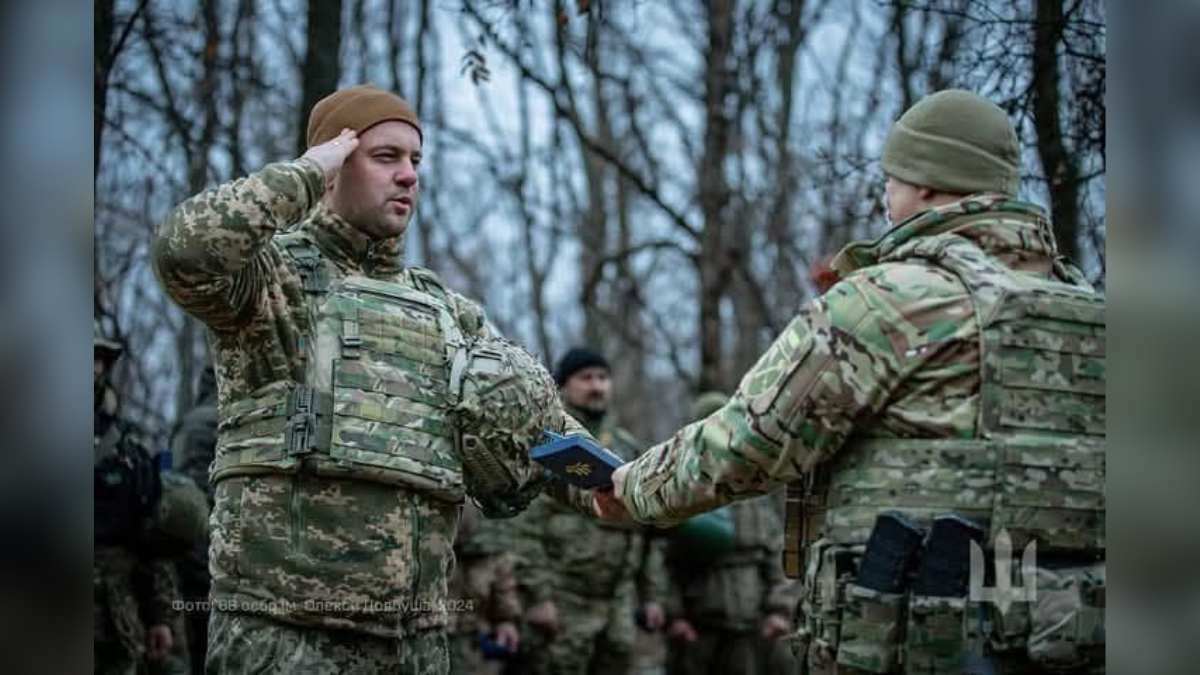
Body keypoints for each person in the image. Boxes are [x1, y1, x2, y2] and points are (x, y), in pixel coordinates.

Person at [596, 90, 1106, 674]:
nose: (885, 198)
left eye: (890, 180)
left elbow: (750, 440)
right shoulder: (1092, 311)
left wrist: (632, 487)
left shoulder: (888, 301)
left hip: (917, 640)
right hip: (1071, 636)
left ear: (926, 184)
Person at [152, 84, 593, 674]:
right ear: (333, 167)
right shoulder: (268, 283)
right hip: (285, 640)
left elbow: (544, 434)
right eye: (386, 157)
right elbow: (184, 250)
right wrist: (308, 171)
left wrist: (633, 485)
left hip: (414, 647)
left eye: (416, 160)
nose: (409, 175)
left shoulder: (446, 312)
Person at [502, 347, 668, 675]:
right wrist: (538, 597)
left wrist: (651, 596)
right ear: (563, 386)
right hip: (562, 601)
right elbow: (522, 527)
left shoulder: (629, 449)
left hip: (616, 604)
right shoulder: (547, 444)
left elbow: (647, 532)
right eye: (586, 378)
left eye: (603, 378)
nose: (597, 386)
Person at [663, 392, 800, 675]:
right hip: (696, 630)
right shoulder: (678, 487)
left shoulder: (756, 489)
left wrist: (779, 610)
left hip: (751, 629)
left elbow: (776, 555)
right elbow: (661, 561)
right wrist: (673, 616)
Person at [93, 318, 180, 675]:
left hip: (115, 624)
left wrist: (161, 617)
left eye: (97, 356)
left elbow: (151, 536)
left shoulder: (125, 447)